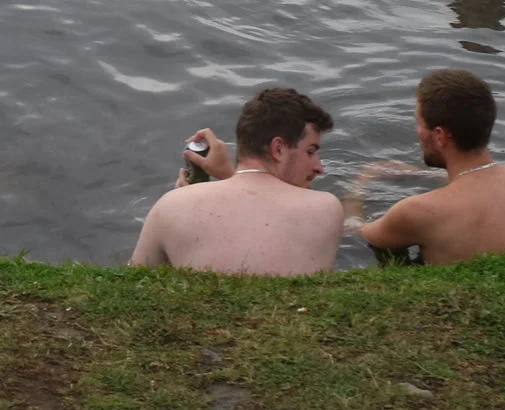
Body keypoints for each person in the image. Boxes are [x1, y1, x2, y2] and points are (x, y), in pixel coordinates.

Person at [346, 69, 505, 266]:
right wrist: (425, 174)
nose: (418, 131)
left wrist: (362, 180)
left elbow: (354, 230)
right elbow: (480, 189)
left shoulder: (416, 211)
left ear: (440, 135)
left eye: (419, 123)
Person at [130, 87, 345, 276]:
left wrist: (196, 193)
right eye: (311, 152)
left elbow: (135, 284)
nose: (319, 167)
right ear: (278, 149)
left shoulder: (170, 205)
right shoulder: (326, 208)